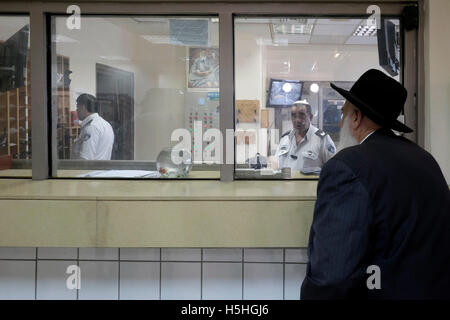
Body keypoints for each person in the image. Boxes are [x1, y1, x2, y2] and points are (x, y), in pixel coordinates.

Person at [301, 69, 450, 300]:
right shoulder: (424, 159)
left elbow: (333, 274)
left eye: (343, 114)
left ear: (356, 117)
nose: (341, 122)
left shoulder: (347, 166)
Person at [269, 100, 336, 174]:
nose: (297, 120)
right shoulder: (285, 139)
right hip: (285, 184)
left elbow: (334, 168)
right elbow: (276, 165)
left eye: (301, 115)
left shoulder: (322, 139)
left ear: (310, 117)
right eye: (294, 116)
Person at [72, 93, 114, 160]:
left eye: (77, 107)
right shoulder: (105, 124)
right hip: (102, 169)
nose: (76, 110)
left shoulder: (91, 127)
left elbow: (85, 159)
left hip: (90, 170)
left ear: (83, 108)